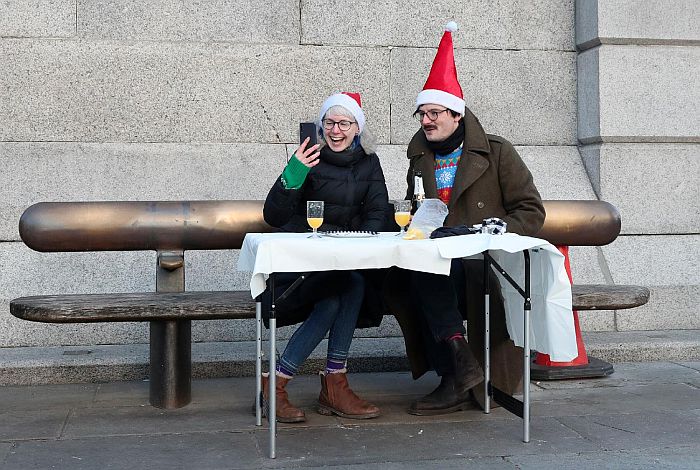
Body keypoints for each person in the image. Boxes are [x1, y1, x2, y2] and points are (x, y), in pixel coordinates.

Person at [386, 22, 546, 415]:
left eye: (434, 112)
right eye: (421, 113)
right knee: (403, 275)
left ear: (456, 115)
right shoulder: (419, 157)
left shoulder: (497, 152)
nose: (426, 120)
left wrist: (487, 232)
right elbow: (419, 207)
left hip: (485, 262)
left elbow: (531, 211)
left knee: (427, 274)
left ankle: (455, 376)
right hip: (439, 261)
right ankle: (459, 368)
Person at [261, 92, 389, 422]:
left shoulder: (369, 162)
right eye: (329, 123)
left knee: (353, 284)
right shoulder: (308, 158)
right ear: (320, 127)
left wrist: (360, 241)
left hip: (342, 260)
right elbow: (274, 216)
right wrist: (293, 171)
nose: (335, 131)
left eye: (344, 123)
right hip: (300, 262)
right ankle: (291, 385)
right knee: (336, 297)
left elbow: (377, 212)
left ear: (357, 128)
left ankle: (323, 384)